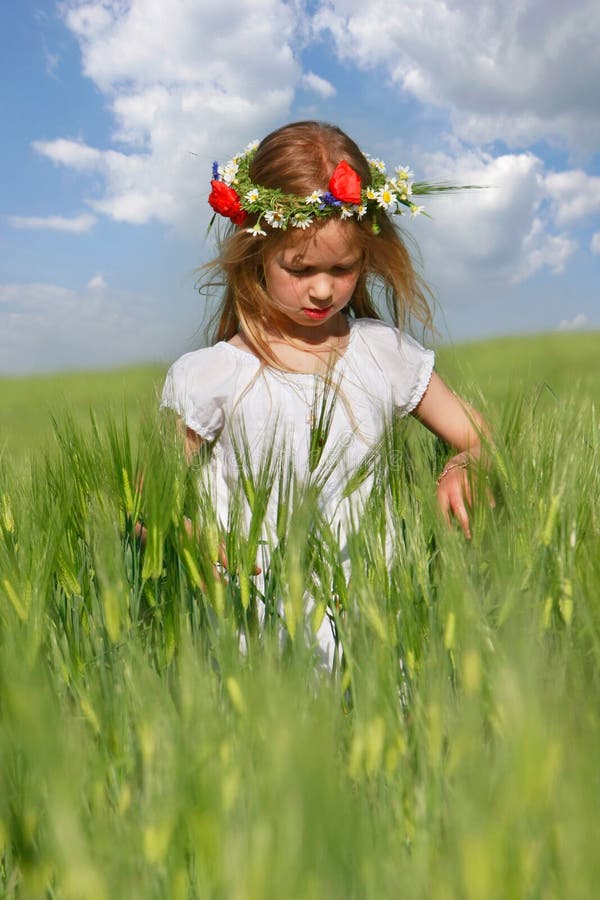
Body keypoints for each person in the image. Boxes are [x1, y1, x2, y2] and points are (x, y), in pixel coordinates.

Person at [161, 121, 488, 666]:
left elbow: (479, 438)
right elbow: (152, 501)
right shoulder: (209, 375)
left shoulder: (383, 352)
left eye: (343, 268)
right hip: (256, 641)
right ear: (256, 250)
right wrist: (189, 533)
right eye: (300, 267)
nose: (322, 288)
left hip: (376, 635)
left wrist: (467, 464)